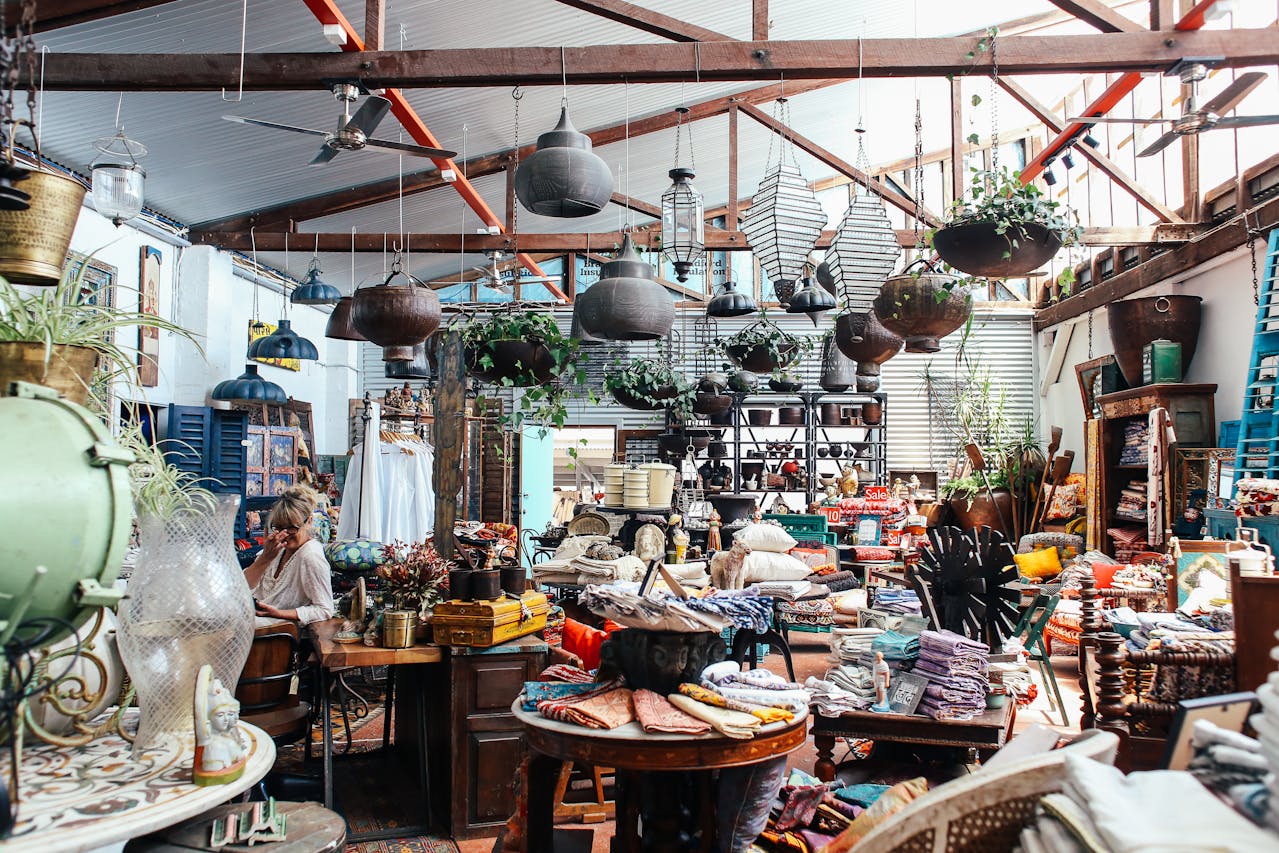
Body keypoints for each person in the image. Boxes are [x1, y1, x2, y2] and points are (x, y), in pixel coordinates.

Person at [243, 485, 335, 624]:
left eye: (292, 528)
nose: (284, 534)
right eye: (279, 528)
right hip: (252, 616)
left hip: (277, 628)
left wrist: (279, 613)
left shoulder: (310, 555)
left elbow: (325, 609)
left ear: (309, 522)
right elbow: (242, 588)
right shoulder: (278, 548)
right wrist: (265, 558)